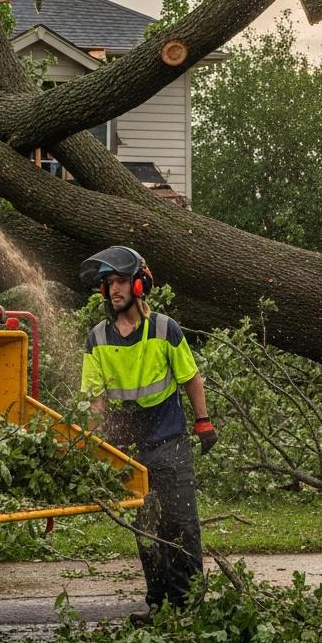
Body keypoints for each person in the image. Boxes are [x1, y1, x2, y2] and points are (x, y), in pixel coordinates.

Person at [79, 246, 217, 622]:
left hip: (169, 440)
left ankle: (188, 605)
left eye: (121, 281)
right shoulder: (97, 339)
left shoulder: (163, 328)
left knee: (182, 524)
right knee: (147, 529)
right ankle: (157, 603)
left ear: (139, 284)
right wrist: (95, 447)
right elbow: (96, 402)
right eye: (108, 283)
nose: (114, 289)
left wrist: (202, 421)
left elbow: (190, 378)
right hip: (130, 450)